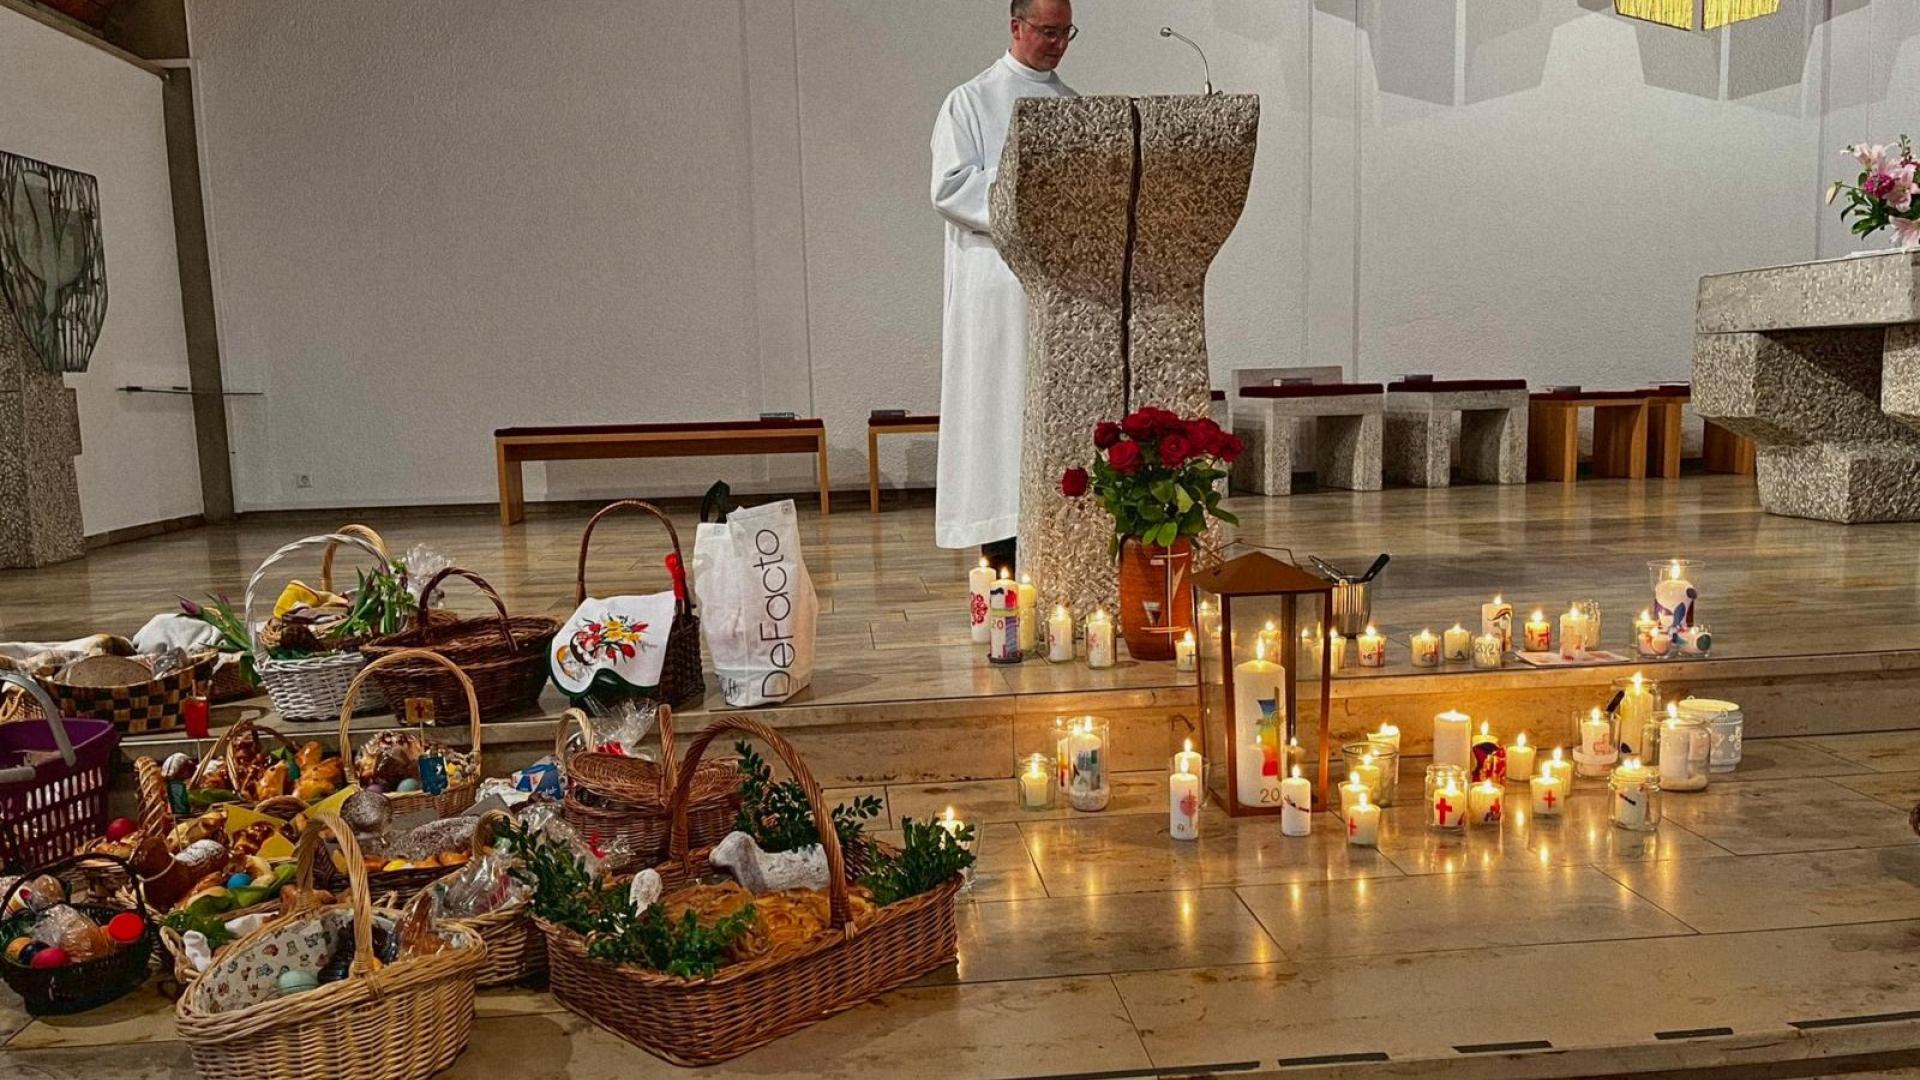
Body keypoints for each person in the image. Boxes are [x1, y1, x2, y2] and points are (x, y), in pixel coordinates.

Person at [930, 0, 1077, 573]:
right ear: (1016, 27)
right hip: (995, 289)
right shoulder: (970, 101)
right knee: (998, 410)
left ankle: (1061, 542)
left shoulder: (1074, 107)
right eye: (1048, 31)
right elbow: (950, 188)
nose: (1058, 43)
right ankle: (1001, 548)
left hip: (1059, 288)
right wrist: (1032, 185)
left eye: (1066, 32)